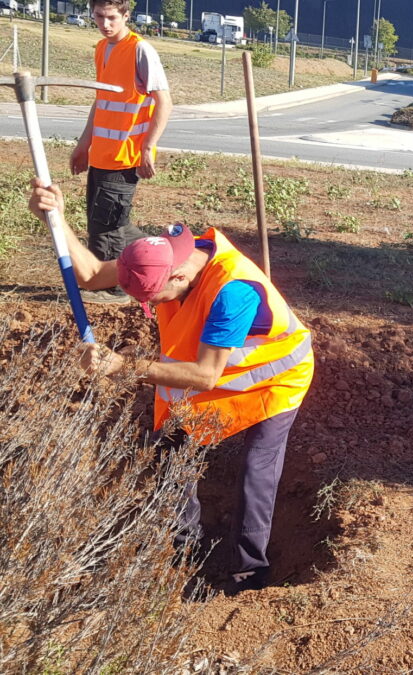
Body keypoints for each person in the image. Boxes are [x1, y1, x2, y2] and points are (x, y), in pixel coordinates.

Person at [28, 179, 315, 595]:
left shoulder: (232, 294)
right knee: (171, 452)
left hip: (273, 378)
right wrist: (54, 217)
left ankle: (249, 574)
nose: (151, 305)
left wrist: (124, 366)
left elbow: (205, 376)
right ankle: (182, 554)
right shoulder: (160, 254)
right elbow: (89, 275)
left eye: (154, 298)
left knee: (256, 471)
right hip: (213, 369)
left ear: (178, 275)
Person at [72, 0, 173, 304]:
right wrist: (84, 144)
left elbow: (164, 103)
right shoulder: (103, 48)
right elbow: (101, 102)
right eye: (99, 17)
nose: (105, 24)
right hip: (102, 155)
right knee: (107, 222)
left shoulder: (140, 50)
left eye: (112, 17)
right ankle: (160, 255)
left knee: (106, 228)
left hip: (125, 157)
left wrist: (147, 148)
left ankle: (114, 290)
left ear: (126, 15)